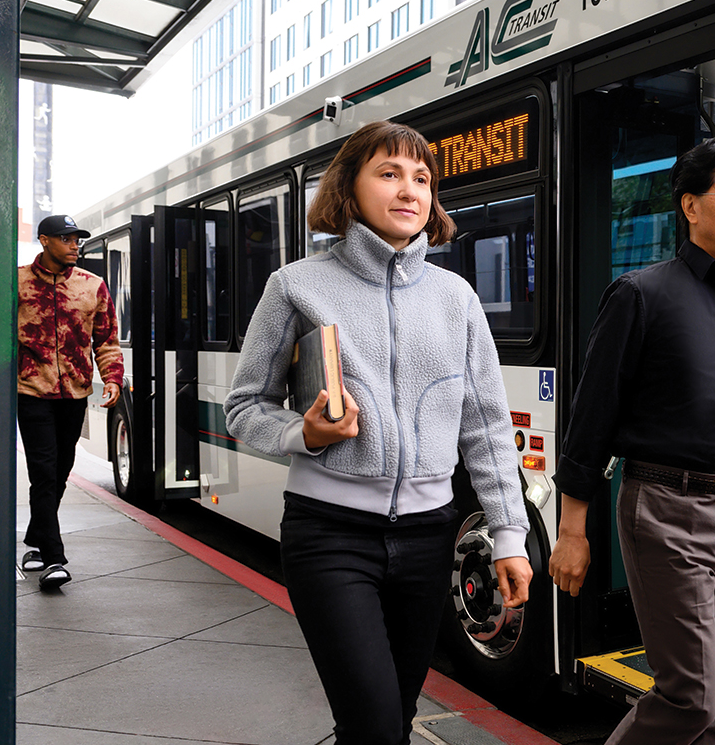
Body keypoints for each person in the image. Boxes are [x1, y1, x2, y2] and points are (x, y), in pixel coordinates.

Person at [224, 120, 532, 745]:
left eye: (422, 178)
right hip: (329, 534)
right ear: (349, 188)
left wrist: (509, 535)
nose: (409, 190)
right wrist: (303, 435)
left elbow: (487, 429)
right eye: (389, 174)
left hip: (428, 538)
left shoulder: (457, 297)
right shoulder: (295, 286)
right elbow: (245, 407)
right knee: (373, 723)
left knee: (394, 716)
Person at [548, 136, 715, 745]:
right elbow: (591, 419)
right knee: (692, 694)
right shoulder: (641, 295)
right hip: (664, 508)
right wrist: (572, 532)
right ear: (690, 206)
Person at [17, 213, 124, 591]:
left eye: (77, 238)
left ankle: (34, 539)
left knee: (60, 469)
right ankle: (53, 558)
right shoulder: (16, 282)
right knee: (43, 471)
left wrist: (112, 380)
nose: (75, 244)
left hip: (75, 393)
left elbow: (107, 340)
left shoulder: (93, 286)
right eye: (66, 238)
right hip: (31, 391)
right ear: (44, 241)